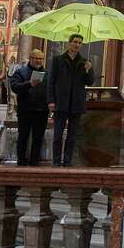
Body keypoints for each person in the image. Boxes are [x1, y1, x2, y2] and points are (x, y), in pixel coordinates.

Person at [47, 34, 94, 166]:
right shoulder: (58, 60)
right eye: (75, 42)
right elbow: (51, 81)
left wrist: (88, 70)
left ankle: (67, 161)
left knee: (72, 136)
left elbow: (89, 82)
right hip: (61, 102)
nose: (77, 45)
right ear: (69, 43)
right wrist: (51, 100)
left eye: (79, 43)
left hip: (76, 103)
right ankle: (56, 161)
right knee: (57, 135)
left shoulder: (85, 62)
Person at [10, 49, 48, 166]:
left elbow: (51, 89)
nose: (38, 61)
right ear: (31, 58)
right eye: (36, 58)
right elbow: (14, 87)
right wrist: (29, 84)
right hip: (25, 110)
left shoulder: (47, 74)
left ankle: (34, 162)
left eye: (41, 59)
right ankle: (21, 161)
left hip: (42, 110)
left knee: (38, 138)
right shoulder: (21, 72)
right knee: (23, 137)